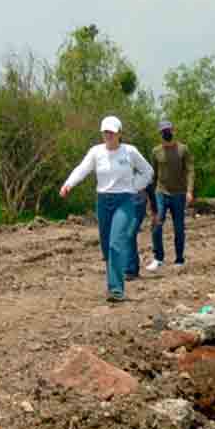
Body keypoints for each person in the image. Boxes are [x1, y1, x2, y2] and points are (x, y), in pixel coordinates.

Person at [60, 116, 153, 302]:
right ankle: (113, 280)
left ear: (119, 133)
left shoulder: (130, 152)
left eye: (111, 132)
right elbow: (82, 169)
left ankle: (116, 289)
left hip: (124, 201)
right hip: (103, 201)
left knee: (116, 243)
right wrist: (68, 184)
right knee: (106, 246)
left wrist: (135, 187)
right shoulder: (96, 152)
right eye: (105, 132)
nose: (108, 135)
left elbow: (148, 171)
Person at [145, 120, 194, 271]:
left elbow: (190, 170)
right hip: (161, 192)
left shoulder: (183, 149)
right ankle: (158, 258)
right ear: (160, 133)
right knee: (157, 225)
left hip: (179, 194)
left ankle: (179, 259)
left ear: (173, 130)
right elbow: (151, 174)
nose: (166, 133)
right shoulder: (156, 151)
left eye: (168, 130)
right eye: (163, 131)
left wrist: (189, 191)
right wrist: (149, 196)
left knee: (179, 227)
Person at [125, 189, 149, 279]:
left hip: (139, 203)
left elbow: (150, 185)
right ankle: (130, 268)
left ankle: (131, 270)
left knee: (130, 235)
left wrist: (154, 209)